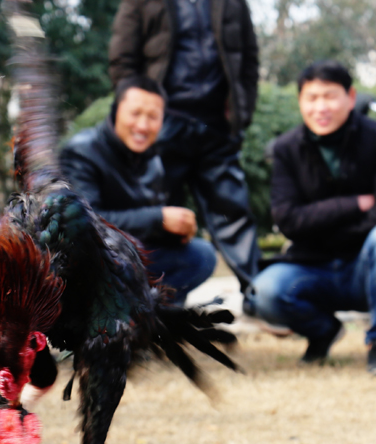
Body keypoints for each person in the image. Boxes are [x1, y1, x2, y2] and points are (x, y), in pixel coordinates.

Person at [251, 61, 376, 375]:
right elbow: (287, 220)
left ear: (351, 97)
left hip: (367, 267)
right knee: (265, 292)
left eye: (330, 96)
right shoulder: (286, 148)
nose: (320, 107)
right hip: (312, 267)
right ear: (300, 102)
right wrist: (356, 203)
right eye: (311, 98)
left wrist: (322, 225)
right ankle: (323, 330)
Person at [108, 0, 261, 300]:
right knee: (160, 217)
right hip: (165, 120)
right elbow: (122, 59)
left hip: (217, 121)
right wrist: (141, 114)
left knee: (234, 213)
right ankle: (161, 306)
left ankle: (260, 298)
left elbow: (249, 58)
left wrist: (244, 112)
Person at [60, 76, 216, 305]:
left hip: (132, 259)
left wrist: (175, 229)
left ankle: (150, 316)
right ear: (116, 111)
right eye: (135, 114)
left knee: (200, 255)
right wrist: (159, 218)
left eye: (153, 117)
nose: (143, 125)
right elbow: (83, 224)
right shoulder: (81, 152)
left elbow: (146, 229)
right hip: (91, 267)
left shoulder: (153, 159)